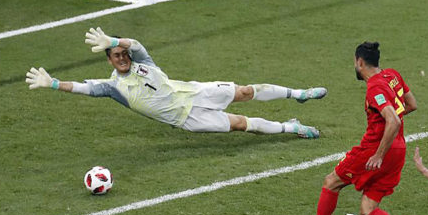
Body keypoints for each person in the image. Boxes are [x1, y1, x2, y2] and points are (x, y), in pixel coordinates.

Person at [25, 27, 327, 138]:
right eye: (115, 55)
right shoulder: (113, 88)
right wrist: (53, 84)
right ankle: (293, 127)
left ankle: (299, 94)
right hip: (188, 118)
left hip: (197, 91)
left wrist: (115, 38)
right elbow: (84, 88)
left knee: (246, 91)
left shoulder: (142, 61)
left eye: (122, 52)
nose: (121, 57)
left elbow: (138, 43)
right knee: (241, 124)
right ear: (108, 61)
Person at [294, 41, 422, 215]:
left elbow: (392, 120)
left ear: (359, 62)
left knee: (331, 182)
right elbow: (410, 105)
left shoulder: (374, 87)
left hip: (373, 150)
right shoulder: (393, 75)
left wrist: (379, 153)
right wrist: (386, 127)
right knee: (367, 208)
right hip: (399, 149)